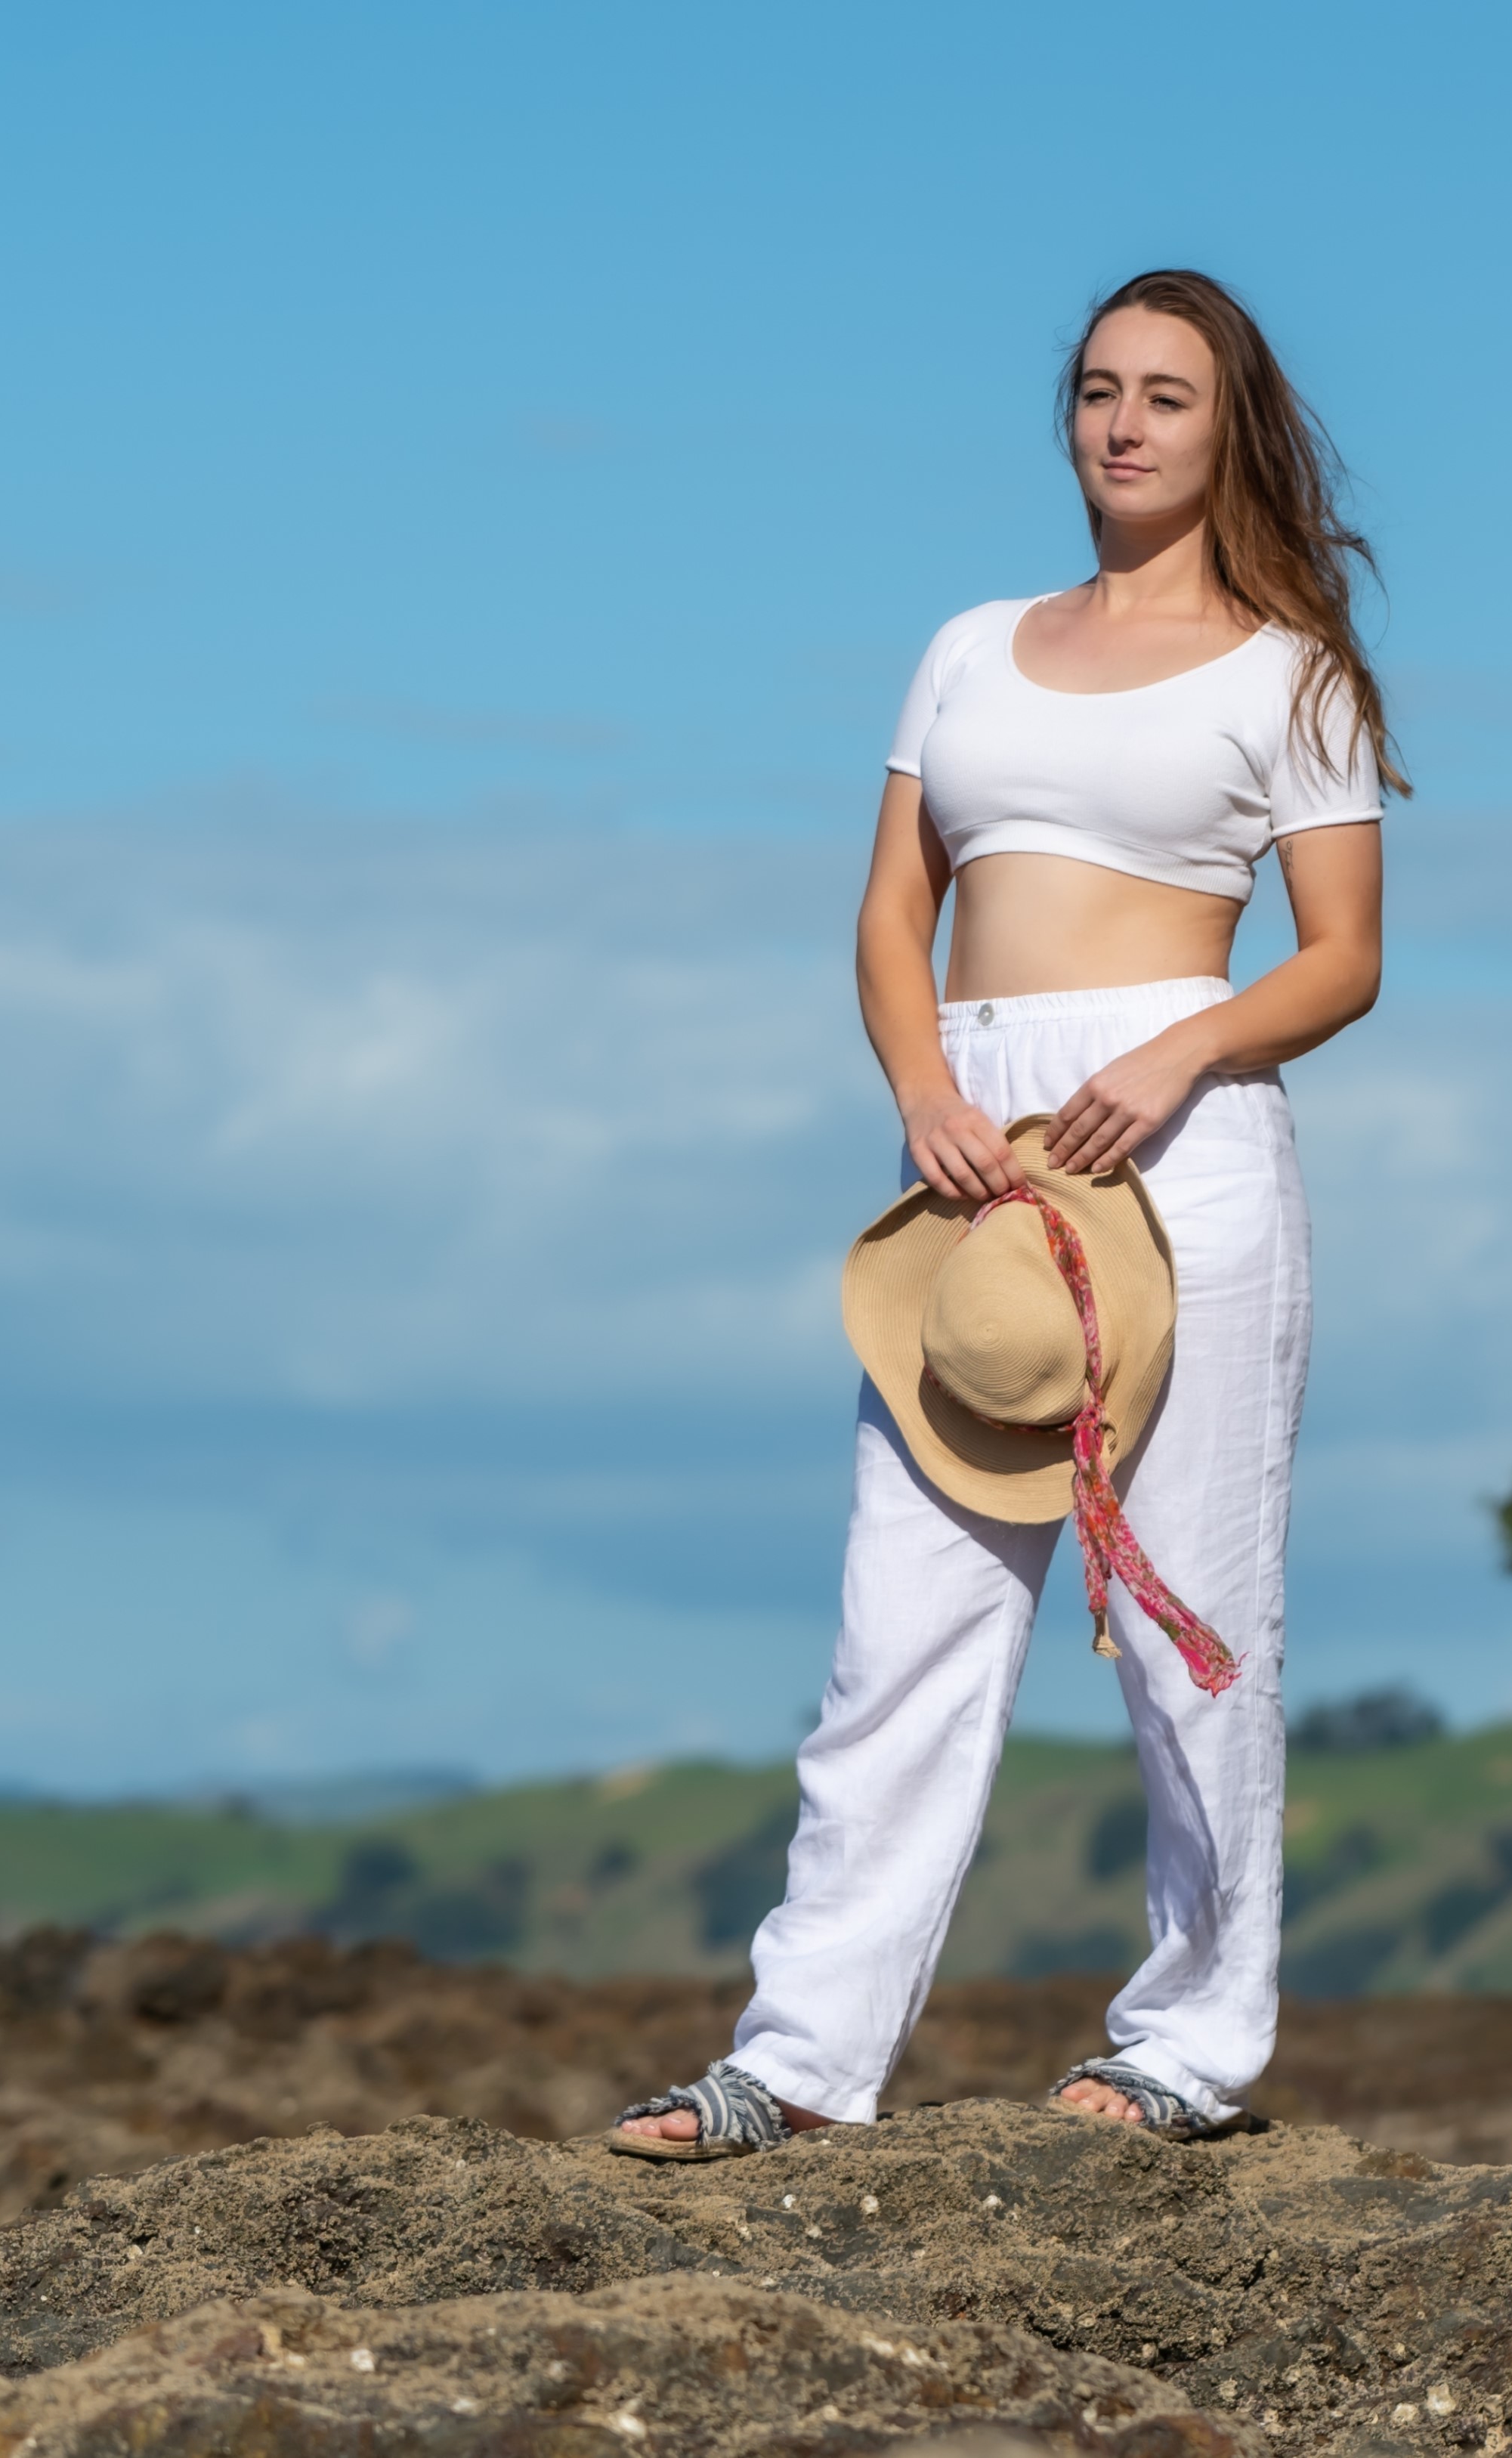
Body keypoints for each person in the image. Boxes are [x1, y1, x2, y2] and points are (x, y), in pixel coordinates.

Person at [611, 268, 1396, 2155]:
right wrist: (926, 1092)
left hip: (1173, 1127)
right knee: (907, 1617)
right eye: (1100, 390)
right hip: (968, 1133)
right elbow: (894, 911)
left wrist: (1181, 1053)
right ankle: (798, 2059)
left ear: (1231, 428)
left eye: (1169, 397)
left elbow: (1347, 957)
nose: (1127, 423)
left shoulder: (1294, 668)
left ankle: (1190, 2045)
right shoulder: (967, 643)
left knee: (1189, 1599)